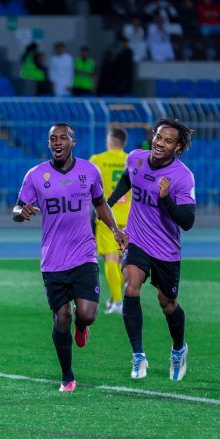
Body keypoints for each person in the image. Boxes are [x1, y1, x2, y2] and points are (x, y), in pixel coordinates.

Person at [13, 123, 127, 392]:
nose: (57, 142)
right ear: (49, 143)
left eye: (63, 138)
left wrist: (115, 230)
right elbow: (17, 207)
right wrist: (21, 212)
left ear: (73, 142)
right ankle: (67, 375)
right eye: (53, 138)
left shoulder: (90, 171)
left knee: (86, 315)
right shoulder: (35, 175)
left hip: (84, 256)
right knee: (61, 316)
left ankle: (82, 326)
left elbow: (100, 203)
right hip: (53, 260)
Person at [106, 119, 196, 381]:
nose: (160, 143)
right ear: (152, 137)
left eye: (168, 141)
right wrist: (106, 208)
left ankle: (178, 349)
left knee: (167, 303)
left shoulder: (182, 176)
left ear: (177, 147)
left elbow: (187, 222)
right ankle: (138, 356)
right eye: (158, 137)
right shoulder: (135, 158)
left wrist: (166, 196)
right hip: (137, 241)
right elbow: (127, 180)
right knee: (130, 285)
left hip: (166, 250)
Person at [89, 127, 130, 314]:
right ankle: (115, 297)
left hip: (107, 216)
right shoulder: (132, 161)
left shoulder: (97, 160)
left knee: (110, 259)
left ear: (111, 141)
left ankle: (119, 303)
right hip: (130, 217)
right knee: (121, 259)